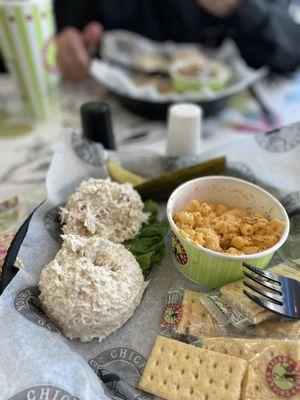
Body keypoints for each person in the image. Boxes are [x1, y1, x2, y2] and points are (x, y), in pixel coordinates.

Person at [55, 0, 300, 82]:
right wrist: (62, 44)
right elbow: (60, 26)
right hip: (119, 111)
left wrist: (238, 7)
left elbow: (292, 49)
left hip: (226, 122)